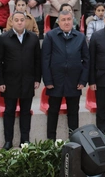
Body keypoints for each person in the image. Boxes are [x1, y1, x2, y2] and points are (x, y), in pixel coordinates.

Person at [0, 10, 41, 149]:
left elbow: (37, 61)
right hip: (10, 82)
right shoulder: (4, 38)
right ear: (12, 21)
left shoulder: (33, 38)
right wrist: (0, 82)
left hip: (28, 81)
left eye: (22, 20)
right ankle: (8, 141)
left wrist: (37, 79)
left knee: (26, 112)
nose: (20, 22)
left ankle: (25, 140)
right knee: (9, 111)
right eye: (17, 20)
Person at [41, 9, 89, 139]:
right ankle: (50, 142)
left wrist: (83, 80)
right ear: (59, 22)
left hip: (74, 82)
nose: (66, 22)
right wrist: (48, 81)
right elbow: (45, 60)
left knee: (73, 113)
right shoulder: (50, 36)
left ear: (72, 21)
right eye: (63, 20)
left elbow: (86, 60)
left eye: (69, 19)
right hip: (55, 82)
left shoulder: (80, 37)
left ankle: (74, 141)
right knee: (53, 112)